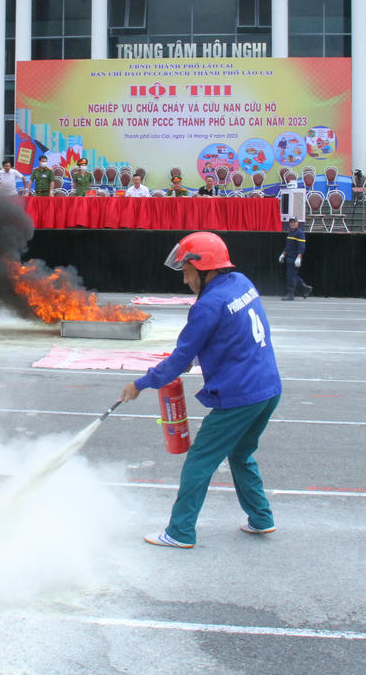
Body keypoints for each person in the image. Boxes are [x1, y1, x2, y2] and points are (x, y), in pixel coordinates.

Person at [118, 232, 281, 548]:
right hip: (269, 387)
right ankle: (262, 518)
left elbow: (179, 359)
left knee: (199, 461)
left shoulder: (208, 304)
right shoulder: (242, 283)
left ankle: (180, 532)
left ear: (203, 268)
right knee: (241, 453)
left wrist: (140, 384)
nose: (185, 280)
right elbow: (230, 334)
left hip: (241, 395)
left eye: (187, 272)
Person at [278, 216, 310, 300]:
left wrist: (299, 257)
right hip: (289, 256)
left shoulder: (300, 233)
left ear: (297, 223)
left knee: (291, 276)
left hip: (295, 257)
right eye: (291, 222)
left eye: (294, 222)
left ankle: (290, 294)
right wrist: (283, 254)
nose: (292, 224)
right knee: (292, 275)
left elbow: (301, 246)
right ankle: (305, 288)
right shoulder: (290, 233)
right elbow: (288, 246)